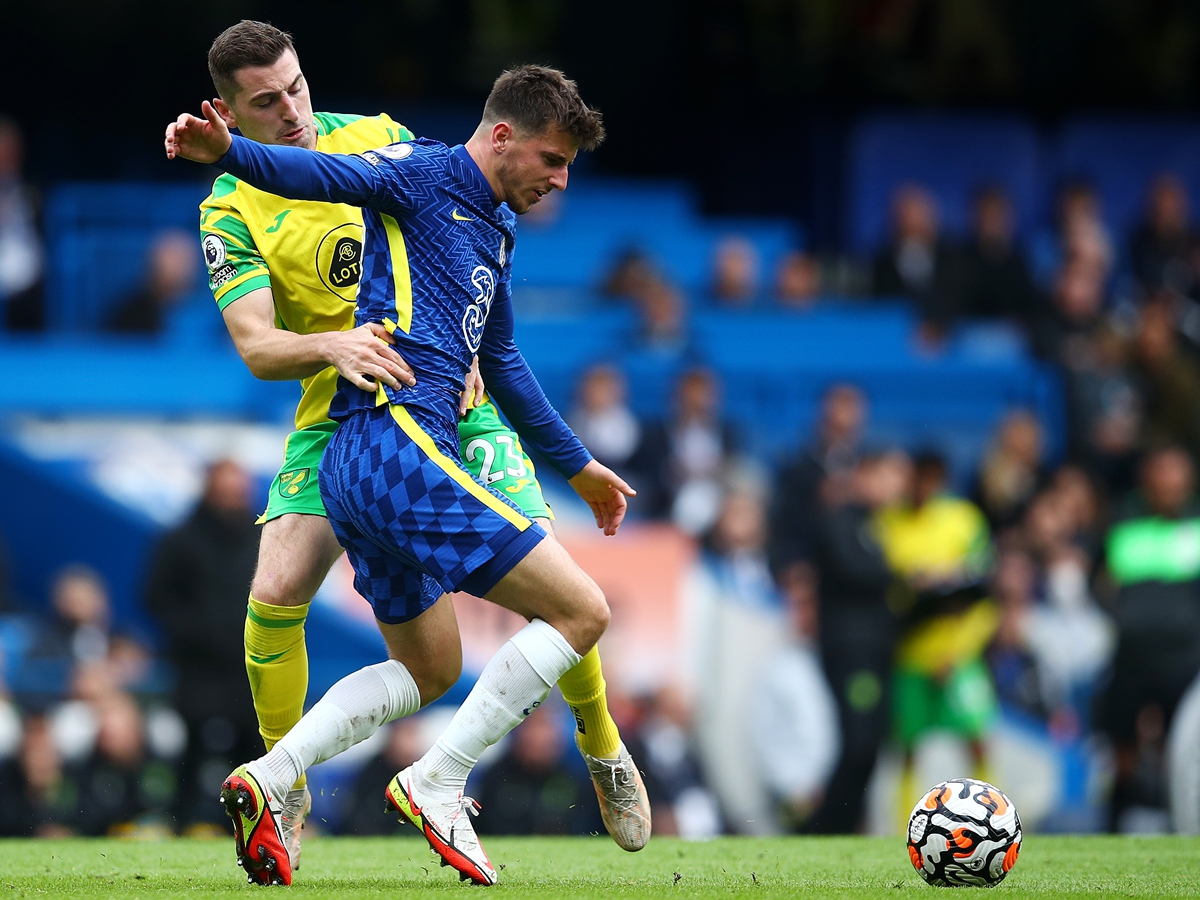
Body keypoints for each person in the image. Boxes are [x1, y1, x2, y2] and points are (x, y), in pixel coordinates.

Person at [177, 20, 646, 882]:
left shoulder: (428, 173)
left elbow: (500, 357)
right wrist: (228, 158)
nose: (292, 111)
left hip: (425, 422)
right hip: (375, 424)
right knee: (574, 606)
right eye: (265, 103)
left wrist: (578, 463)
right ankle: (428, 780)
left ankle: (275, 774)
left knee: (432, 666)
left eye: (297, 87)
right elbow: (291, 232)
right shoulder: (361, 177)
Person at [143, 459, 262, 833]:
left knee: (253, 753)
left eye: (238, 489)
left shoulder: (262, 538)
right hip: (198, 670)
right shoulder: (179, 540)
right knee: (193, 751)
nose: (233, 497)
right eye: (225, 488)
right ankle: (180, 822)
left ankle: (253, 827)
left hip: (248, 668)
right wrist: (195, 633)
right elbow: (156, 597)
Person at [104, 230, 200, 334]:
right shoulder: (130, 316)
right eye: (174, 259)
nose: (181, 268)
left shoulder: (208, 314)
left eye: (185, 260)